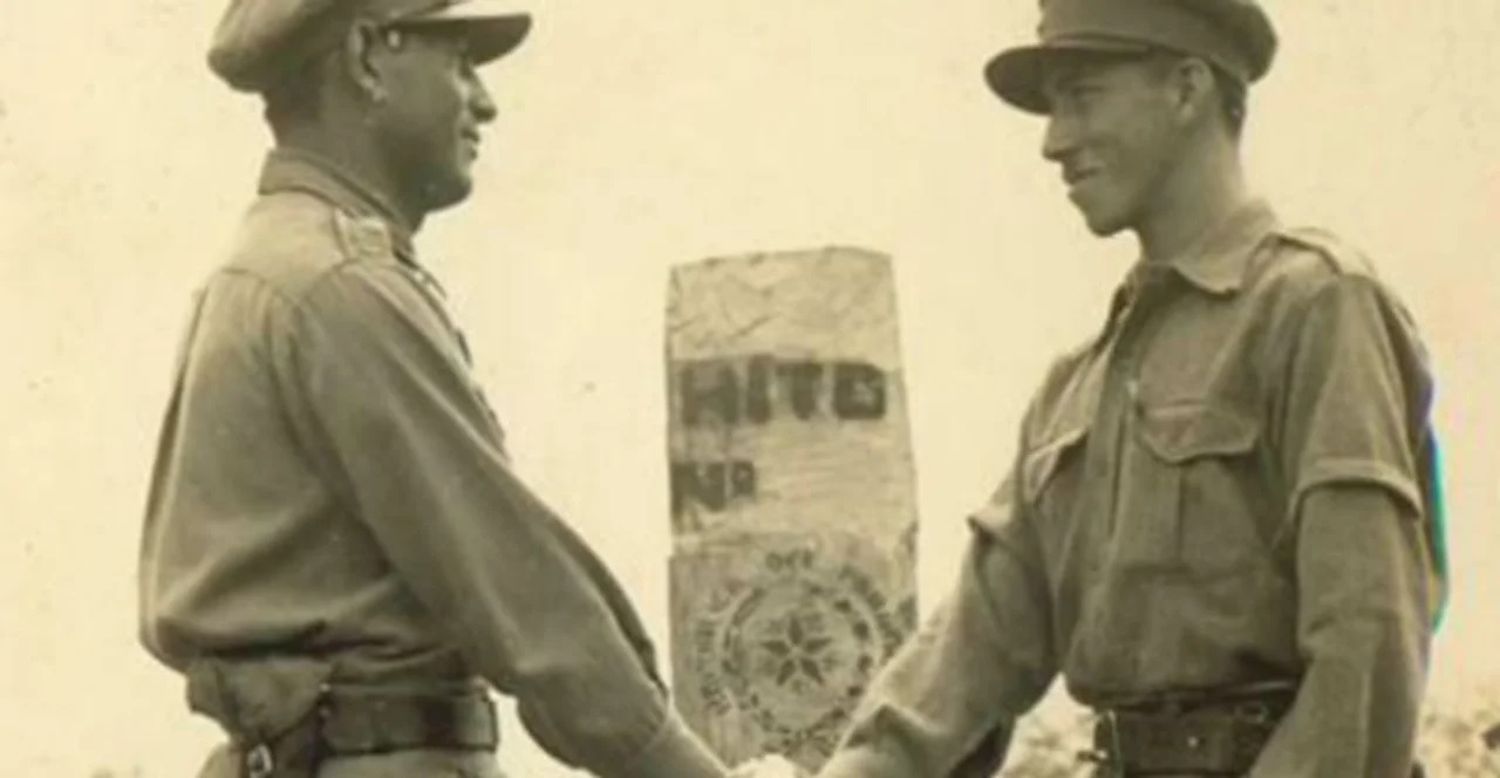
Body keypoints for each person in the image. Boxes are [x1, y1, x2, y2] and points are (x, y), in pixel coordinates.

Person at [797, 0, 1447, 776]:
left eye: (1082, 97)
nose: (1053, 141)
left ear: (1186, 88)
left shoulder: (1315, 307)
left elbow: (1368, 655)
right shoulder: (1074, 388)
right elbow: (964, 661)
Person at [137, 2, 730, 776]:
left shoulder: (275, 266)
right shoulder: (337, 285)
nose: (484, 100)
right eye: (458, 59)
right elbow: (522, 597)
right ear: (365, 58)